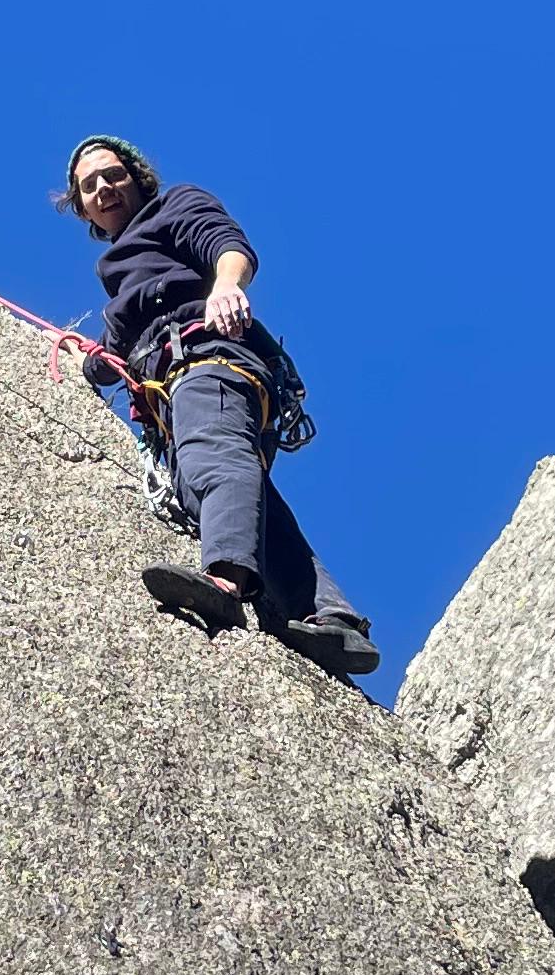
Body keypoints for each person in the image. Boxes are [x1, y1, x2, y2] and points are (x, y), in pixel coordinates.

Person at [62, 136, 380, 680]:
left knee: (214, 454)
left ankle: (226, 582)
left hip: (207, 355)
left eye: (112, 175)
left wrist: (225, 288)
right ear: (82, 206)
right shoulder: (119, 275)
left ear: (136, 178)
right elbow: (113, 354)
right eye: (89, 186)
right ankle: (329, 616)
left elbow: (228, 246)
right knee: (225, 489)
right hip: (171, 383)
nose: (103, 189)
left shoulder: (173, 206)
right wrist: (81, 357)